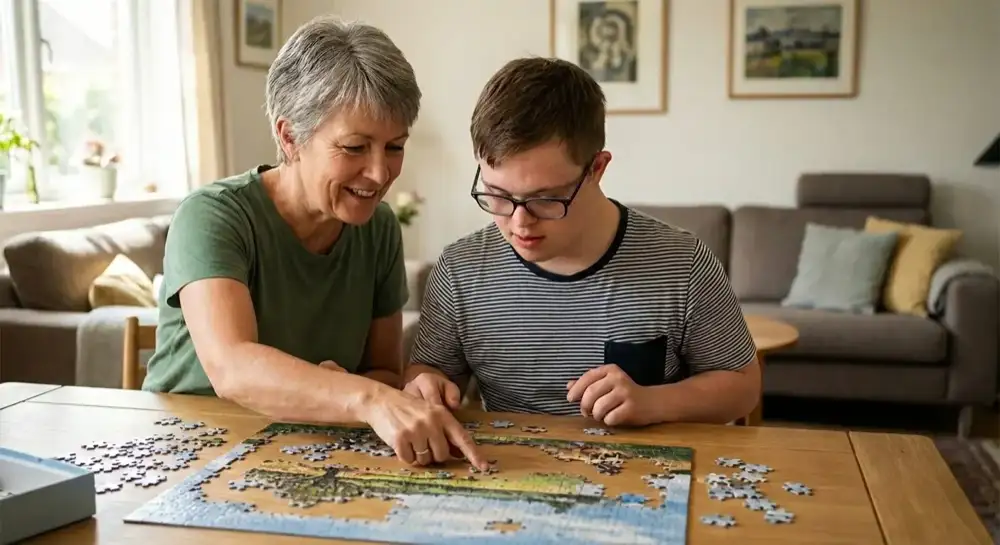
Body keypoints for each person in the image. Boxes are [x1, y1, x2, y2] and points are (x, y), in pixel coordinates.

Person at [143, 16, 486, 469]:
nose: (381, 174)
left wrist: (360, 391)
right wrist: (359, 397)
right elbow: (232, 367)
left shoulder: (379, 227)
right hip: (188, 451)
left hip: (307, 453)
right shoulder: (212, 216)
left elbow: (382, 370)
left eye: (395, 147)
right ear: (290, 138)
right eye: (355, 147)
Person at [403, 57, 760, 427]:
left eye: (545, 199)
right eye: (497, 195)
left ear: (597, 169)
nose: (518, 222)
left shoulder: (683, 263)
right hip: (506, 472)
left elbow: (743, 387)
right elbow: (429, 373)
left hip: (646, 475)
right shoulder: (460, 269)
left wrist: (654, 402)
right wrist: (427, 385)